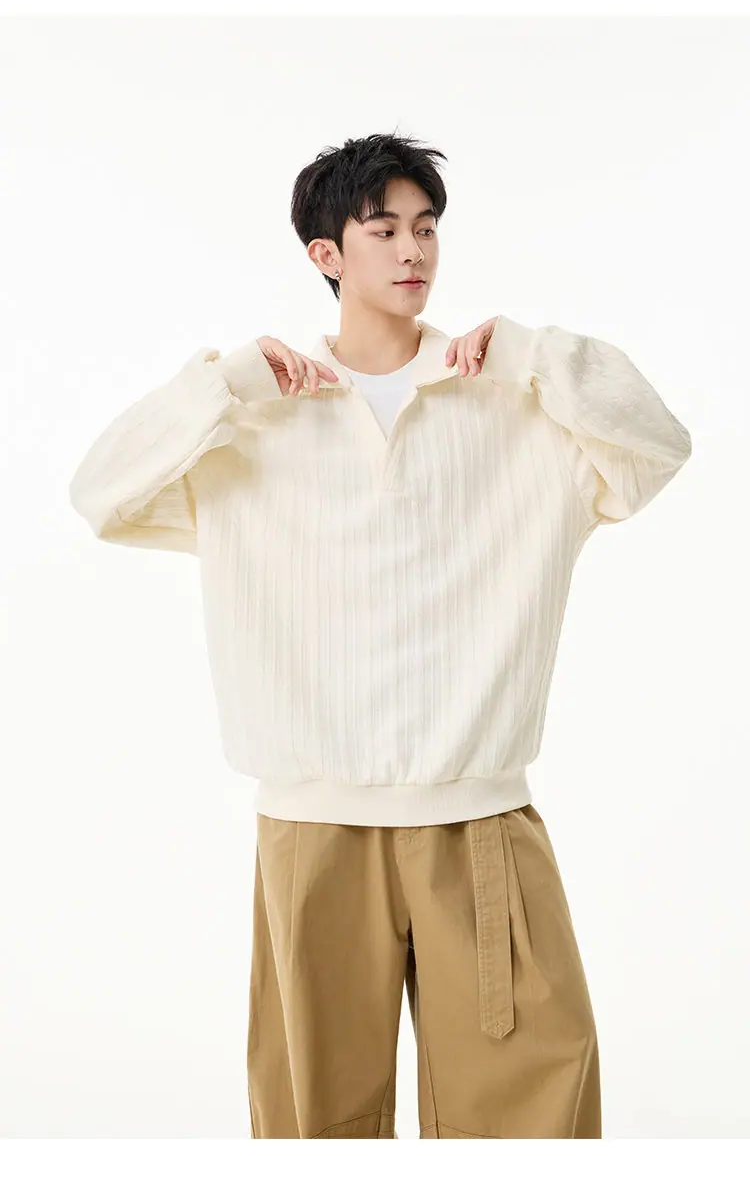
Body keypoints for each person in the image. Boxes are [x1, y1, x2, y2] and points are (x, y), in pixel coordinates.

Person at [68, 131, 692, 1139]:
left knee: (531, 1123)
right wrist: (226, 385)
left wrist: (537, 359)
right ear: (327, 253)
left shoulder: (514, 407)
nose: (414, 250)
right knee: (315, 1128)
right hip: (313, 831)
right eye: (384, 229)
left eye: (427, 227)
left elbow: (658, 447)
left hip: (479, 823)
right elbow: (100, 495)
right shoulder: (254, 427)